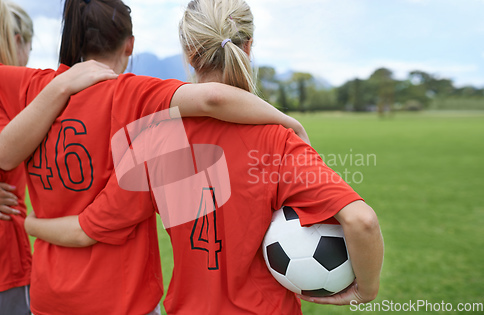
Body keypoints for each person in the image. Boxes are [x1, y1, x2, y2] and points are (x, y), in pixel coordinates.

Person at [24, 0, 384, 314]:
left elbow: (89, 229)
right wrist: (366, 289)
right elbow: (361, 221)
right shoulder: (278, 141)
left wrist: (30, 224)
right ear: (249, 46)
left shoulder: (155, 138)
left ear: (189, 54)